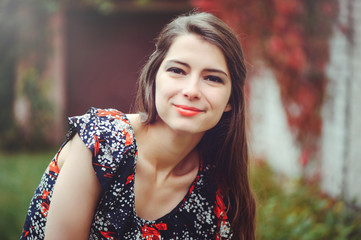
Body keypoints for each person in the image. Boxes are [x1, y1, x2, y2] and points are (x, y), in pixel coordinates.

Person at [21, 11, 256, 240]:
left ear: (230, 101)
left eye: (212, 78)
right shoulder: (102, 141)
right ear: (154, 78)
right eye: (177, 70)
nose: (191, 90)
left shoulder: (216, 194)